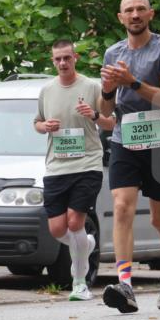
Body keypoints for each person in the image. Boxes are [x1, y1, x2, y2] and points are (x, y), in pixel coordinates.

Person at [98, 0, 160, 313]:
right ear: (120, 17)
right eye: (128, 10)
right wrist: (108, 89)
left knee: (159, 217)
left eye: (140, 9)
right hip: (126, 139)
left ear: (150, 14)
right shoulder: (113, 53)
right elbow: (105, 109)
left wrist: (132, 82)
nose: (134, 15)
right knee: (122, 207)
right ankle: (125, 285)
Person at [33, 40, 114, 301]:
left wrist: (93, 115)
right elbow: (36, 123)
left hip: (87, 164)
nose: (63, 63)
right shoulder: (47, 90)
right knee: (58, 229)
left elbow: (111, 123)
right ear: (53, 60)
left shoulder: (91, 86)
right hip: (56, 166)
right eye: (58, 59)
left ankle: (79, 284)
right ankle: (85, 244)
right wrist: (45, 126)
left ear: (75, 58)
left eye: (67, 58)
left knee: (75, 222)